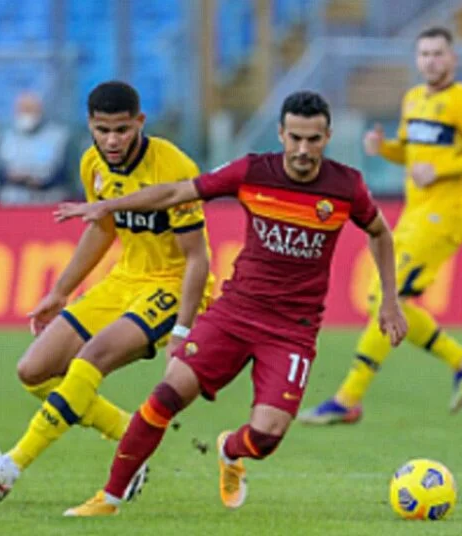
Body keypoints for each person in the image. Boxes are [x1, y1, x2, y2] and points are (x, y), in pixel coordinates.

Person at [54, 90, 407, 516]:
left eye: (313, 140)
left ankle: (229, 450)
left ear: (327, 137)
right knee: (167, 395)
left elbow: (380, 233)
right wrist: (107, 205)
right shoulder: (252, 172)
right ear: (280, 133)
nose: (302, 150)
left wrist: (390, 300)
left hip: (293, 328)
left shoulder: (345, 185)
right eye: (294, 137)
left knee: (266, 437)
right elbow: (173, 194)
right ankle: (108, 498)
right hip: (235, 313)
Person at [0, 81, 214, 502]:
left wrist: (181, 330)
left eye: (122, 129)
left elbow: (197, 257)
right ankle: (131, 440)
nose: (112, 140)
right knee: (33, 371)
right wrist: (60, 291)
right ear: (90, 125)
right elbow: (102, 230)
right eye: (102, 130)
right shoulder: (93, 164)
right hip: (125, 279)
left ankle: (11, 465)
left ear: (140, 122)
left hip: (172, 284)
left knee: (90, 360)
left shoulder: (173, 167)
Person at [298, 26, 462, 425]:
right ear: (417, 60)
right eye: (424, 53)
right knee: (390, 302)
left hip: (442, 216)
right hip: (413, 214)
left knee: (384, 301)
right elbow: (415, 157)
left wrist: (443, 167)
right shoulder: (413, 99)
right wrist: (387, 150)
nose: (430, 60)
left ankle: (348, 397)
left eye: (438, 53)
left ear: (452, 58)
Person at [0, 92, 72, 205]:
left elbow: (64, 173)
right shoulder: (7, 137)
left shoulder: (58, 136)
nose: (27, 114)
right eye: (23, 110)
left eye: (31, 109)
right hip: (13, 200)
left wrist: (39, 181)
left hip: (47, 198)